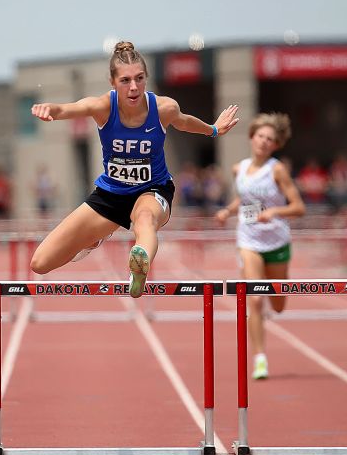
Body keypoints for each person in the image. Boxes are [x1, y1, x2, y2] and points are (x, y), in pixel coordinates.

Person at [29, 41, 239, 297]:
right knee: (40, 263)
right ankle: (95, 238)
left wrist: (213, 129)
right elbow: (68, 108)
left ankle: (139, 265)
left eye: (139, 79)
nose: (133, 87)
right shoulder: (103, 107)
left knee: (145, 219)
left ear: (146, 78)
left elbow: (184, 122)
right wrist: (49, 109)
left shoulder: (163, 108)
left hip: (153, 189)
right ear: (112, 82)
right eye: (125, 80)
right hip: (112, 194)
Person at [215, 113, 305, 379]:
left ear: (276, 145)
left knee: (277, 305)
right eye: (261, 136)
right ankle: (260, 358)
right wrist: (227, 210)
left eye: (270, 139)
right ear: (251, 137)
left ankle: (277, 291)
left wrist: (275, 211)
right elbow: (244, 200)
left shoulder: (277, 170)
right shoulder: (238, 169)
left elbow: (299, 207)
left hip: (276, 241)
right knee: (254, 299)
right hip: (249, 240)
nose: (264, 141)